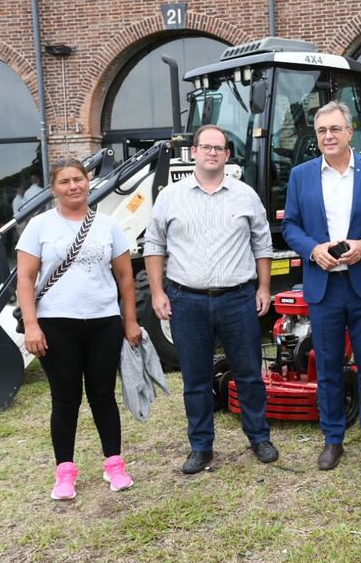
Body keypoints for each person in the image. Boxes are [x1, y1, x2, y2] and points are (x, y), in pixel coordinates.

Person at [144, 124, 278, 475]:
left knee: (248, 373)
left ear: (227, 155)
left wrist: (263, 288)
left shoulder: (245, 195)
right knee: (196, 378)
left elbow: (263, 245)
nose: (212, 152)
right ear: (194, 152)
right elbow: (154, 246)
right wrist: (157, 292)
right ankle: (201, 446)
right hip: (186, 301)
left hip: (237, 299)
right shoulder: (171, 197)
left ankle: (259, 437)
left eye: (219, 148)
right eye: (206, 147)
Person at [282, 100, 361, 471]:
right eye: (321, 131)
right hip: (324, 288)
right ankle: (333, 439)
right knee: (328, 365)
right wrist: (312, 250)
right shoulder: (301, 175)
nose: (328, 136)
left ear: (350, 132)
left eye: (335, 129)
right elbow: (290, 227)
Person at [16, 159, 142, 500]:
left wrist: (129, 321)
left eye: (78, 179)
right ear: (53, 188)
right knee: (65, 399)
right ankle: (65, 473)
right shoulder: (39, 227)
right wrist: (31, 325)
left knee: (103, 396)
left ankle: (114, 464)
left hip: (103, 323)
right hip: (56, 325)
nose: (73, 186)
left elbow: (126, 278)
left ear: (88, 183)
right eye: (64, 181)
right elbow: (25, 280)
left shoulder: (108, 226)